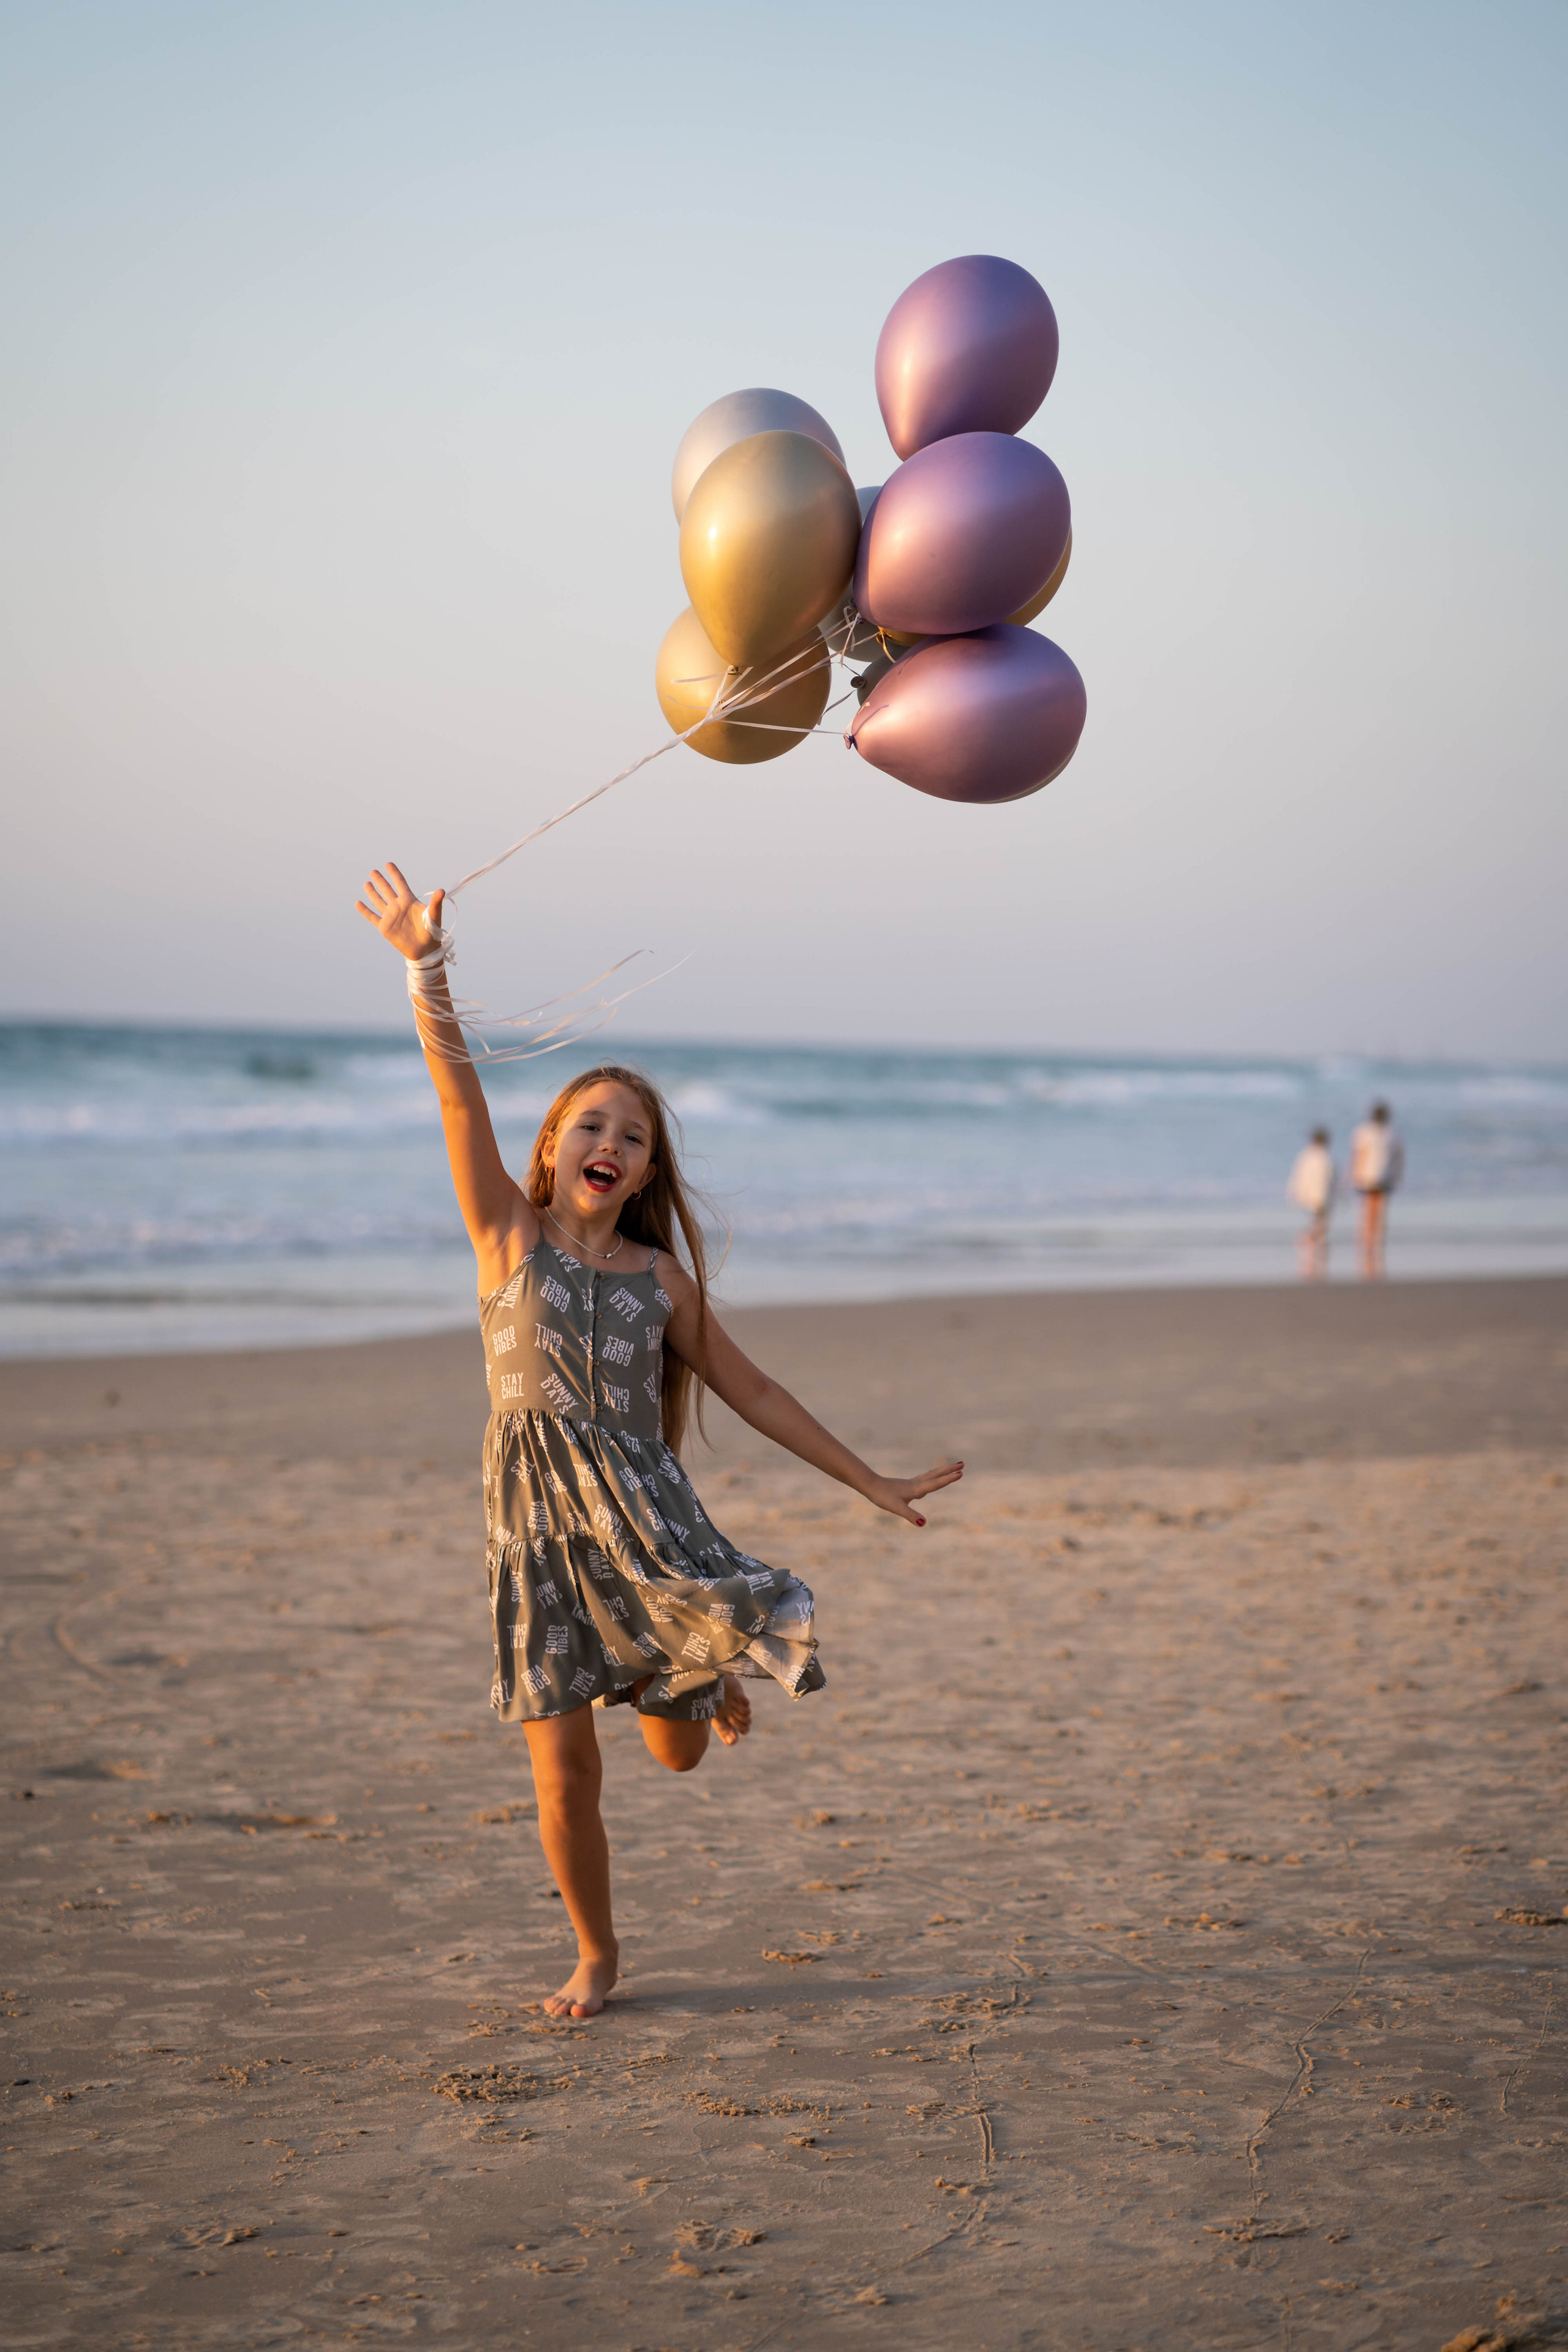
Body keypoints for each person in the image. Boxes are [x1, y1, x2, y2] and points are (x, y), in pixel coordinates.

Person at [355, 863, 963, 2019]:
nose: (613, 1142)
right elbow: (453, 1101)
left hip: (651, 1530)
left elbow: (757, 1390)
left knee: (673, 1756)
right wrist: (425, 967)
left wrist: (873, 1483)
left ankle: (693, 1676)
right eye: (591, 1124)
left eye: (633, 1137)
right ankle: (597, 1952)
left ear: (644, 1173)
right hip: (536, 1537)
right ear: (551, 1149)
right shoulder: (505, 1242)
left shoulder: (661, 1280)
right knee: (563, 1771)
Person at [1349, 1100, 1404, 1280]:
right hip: (1384, 1177)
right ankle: (1375, 1244)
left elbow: (1358, 1155)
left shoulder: (1363, 1132)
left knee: (1368, 1212)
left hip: (1367, 1176)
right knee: (1378, 1212)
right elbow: (1398, 1161)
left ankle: (1366, 1245)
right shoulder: (1391, 1135)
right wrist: (1396, 1179)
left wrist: (1355, 1174)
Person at [1286, 1126, 1336, 1280]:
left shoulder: (1306, 1156)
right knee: (1320, 1224)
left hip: (1310, 1197)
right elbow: (1332, 1179)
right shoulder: (1325, 1157)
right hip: (1321, 1197)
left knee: (1318, 1223)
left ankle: (1311, 1244)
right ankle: (1309, 1241)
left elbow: (1297, 1177)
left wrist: (1295, 1194)